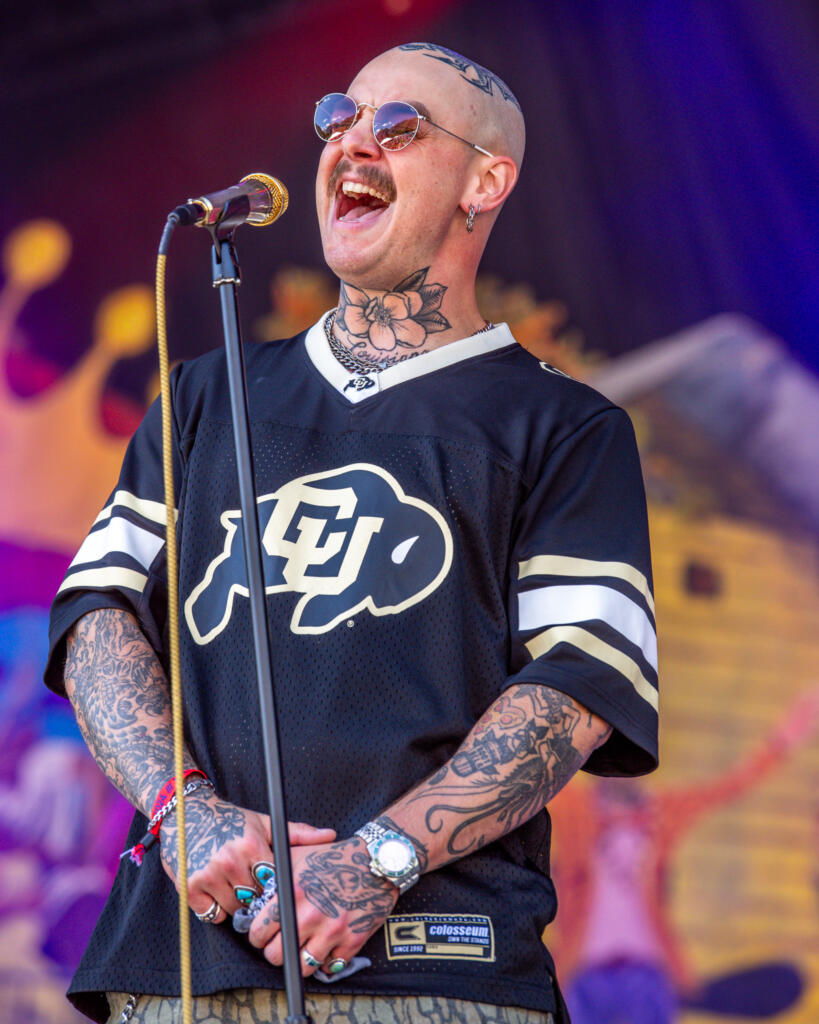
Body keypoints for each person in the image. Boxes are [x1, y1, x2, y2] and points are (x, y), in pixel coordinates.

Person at [45, 42, 658, 1024]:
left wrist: (383, 855)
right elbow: (97, 610)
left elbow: (582, 674)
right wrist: (183, 810)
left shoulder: (562, 426)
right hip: (180, 968)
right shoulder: (208, 397)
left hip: (436, 969)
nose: (350, 143)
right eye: (338, 119)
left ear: (484, 182)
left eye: (398, 127)